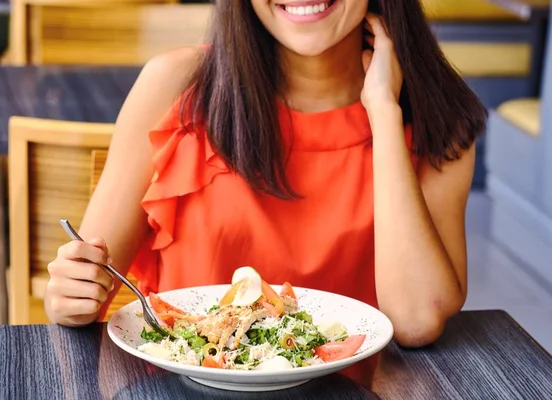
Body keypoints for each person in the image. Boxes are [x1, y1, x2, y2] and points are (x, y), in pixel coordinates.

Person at [44, 0, 487, 349]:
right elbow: (90, 281)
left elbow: (416, 322)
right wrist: (68, 294)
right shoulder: (173, 85)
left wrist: (384, 114)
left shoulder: (439, 123)